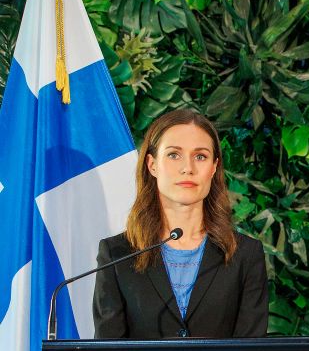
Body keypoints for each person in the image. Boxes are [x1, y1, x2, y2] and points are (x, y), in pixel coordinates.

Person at [93, 109, 268, 338]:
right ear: (152, 164)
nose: (188, 168)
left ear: (214, 167)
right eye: (174, 155)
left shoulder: (246, 255)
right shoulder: (116, 255)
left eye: (200, 156)